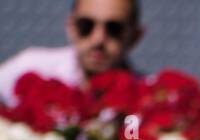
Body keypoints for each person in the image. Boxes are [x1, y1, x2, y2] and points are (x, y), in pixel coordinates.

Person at [0, 0, 143, 106]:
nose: (98, 39)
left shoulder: (150, 96)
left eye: (114, 28)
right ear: (71, 27)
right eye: (86, 26)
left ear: (135, 36)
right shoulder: (31, 67)